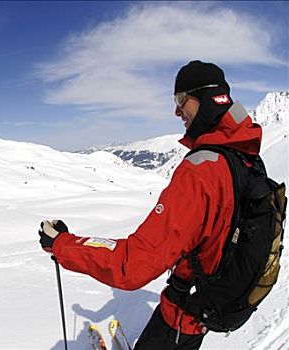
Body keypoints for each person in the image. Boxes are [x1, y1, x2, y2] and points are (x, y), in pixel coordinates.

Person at [38, 60, 263, 350]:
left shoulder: (202, 170)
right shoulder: (245, 155)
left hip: (184, 315)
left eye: (181, 100)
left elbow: (133, 265)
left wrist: (63, 244)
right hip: (212, 300)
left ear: (206, 98)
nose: (177, 111)